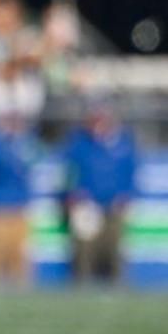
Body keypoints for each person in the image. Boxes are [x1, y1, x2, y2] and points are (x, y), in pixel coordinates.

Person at [64, 100, 138, 284]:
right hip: (87, 205)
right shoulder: (79, 143)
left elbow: (131, 173)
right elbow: (70, 173)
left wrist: (126, 195)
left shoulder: (123, 144)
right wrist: (74, 194)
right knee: (84, 249)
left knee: (115, 247)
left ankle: (117, 283)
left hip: (114, 205)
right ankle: (81, 282)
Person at [0, 110, 37, 287]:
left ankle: (22, 288)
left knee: (20, 255)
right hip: (0, 205)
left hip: (20, 206)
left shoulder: (27, 146)